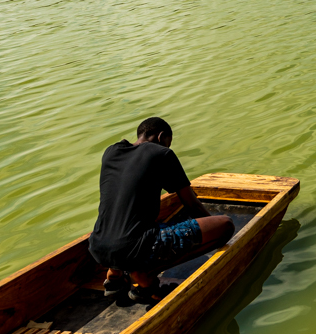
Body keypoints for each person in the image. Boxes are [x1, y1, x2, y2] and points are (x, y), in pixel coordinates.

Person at [88, 117, 234, 304]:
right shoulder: (162, 154)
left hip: (99, 245)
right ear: (161, 136)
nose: (168, 146)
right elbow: (192, 205)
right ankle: (144, 273)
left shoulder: (111, 152)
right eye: (168, 142)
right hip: (133, 247)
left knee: (136, 226)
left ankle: (115, 275)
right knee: (225, 225)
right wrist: (214, 231)